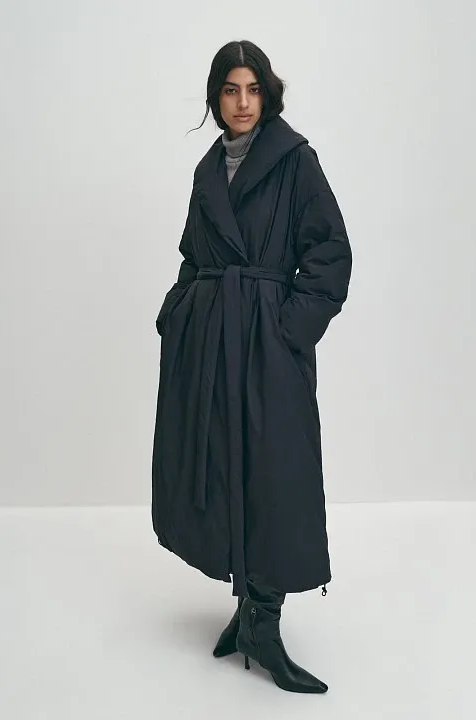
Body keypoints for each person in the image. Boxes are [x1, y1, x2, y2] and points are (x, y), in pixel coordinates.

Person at [151, 40, 352, 693]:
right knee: (220, 464)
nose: (242, 102)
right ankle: (246, 612)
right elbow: (193, 253)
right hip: (210, 342)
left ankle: (266, 622)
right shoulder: (207, 169)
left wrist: (290, 329)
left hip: (267, 340)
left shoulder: (295, 161)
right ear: (216, 97)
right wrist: (178, 314)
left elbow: (330, 253)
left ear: (268, 93)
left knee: (274, 473)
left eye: (253, 89)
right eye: (230, 90)